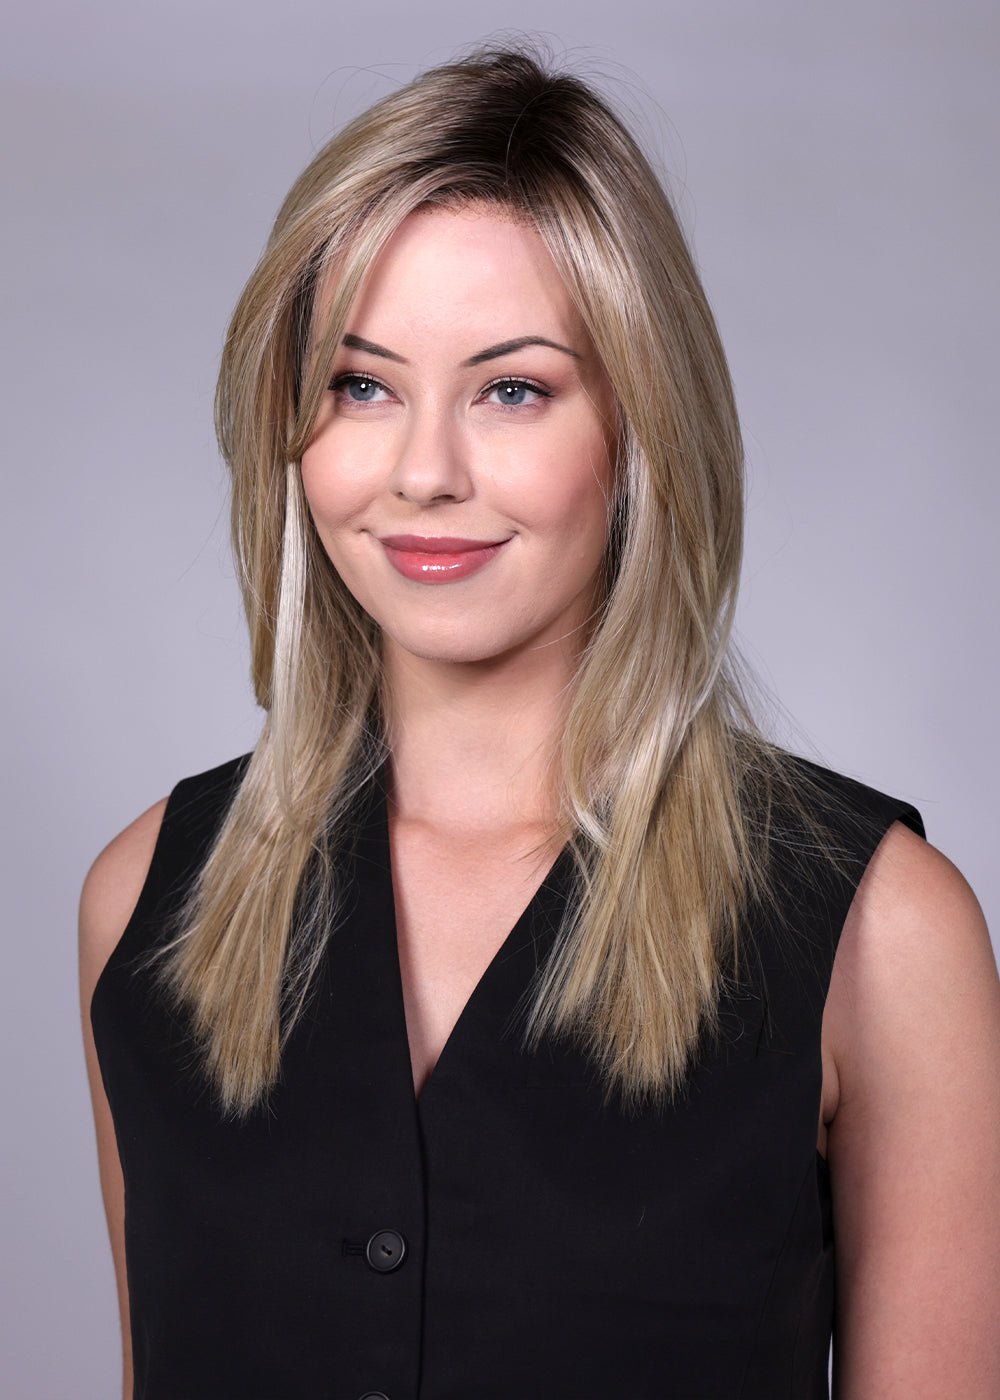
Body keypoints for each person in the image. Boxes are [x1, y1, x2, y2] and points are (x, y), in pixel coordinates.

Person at [78, 40, 1000, 1400]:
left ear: (639, 428)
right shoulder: (148, 897)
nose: (424, 472)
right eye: (360, 385)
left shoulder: (885, 935)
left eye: (512, 389)